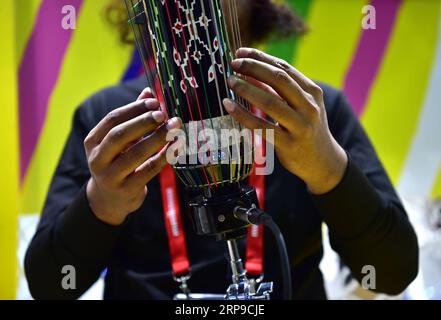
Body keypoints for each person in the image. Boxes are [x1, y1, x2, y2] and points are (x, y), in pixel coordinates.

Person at [25, 0, 418, 300]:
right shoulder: (109, 120)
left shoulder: (312, 114)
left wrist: (328, 171)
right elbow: (51, 286)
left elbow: (391, 272)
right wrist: (102, 204)